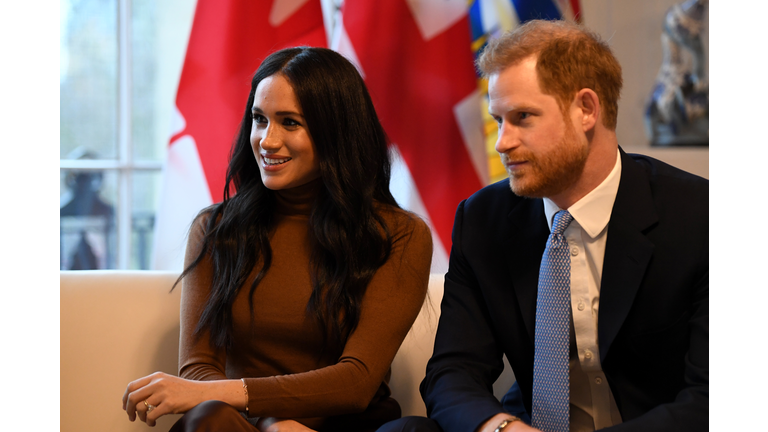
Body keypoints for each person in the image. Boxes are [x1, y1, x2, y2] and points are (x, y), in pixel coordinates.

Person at [380, 19, 708, 432]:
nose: (502, 141)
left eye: (522, 117)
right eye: (498, 120)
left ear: (586, 109)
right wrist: (501, 428)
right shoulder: (483, 220)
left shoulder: (701, 217)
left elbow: (711, 401)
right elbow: (453, 371)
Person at [122, 47, 433, 432]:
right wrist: (271, 421)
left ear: (337, 131)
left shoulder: (400, 234)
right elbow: (198, 369)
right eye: (259, 119)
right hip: (246, 426)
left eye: (289, 122)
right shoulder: (216, 229)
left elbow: (357, 380)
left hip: (352, 426)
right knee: (208, 418)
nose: (266, 141)